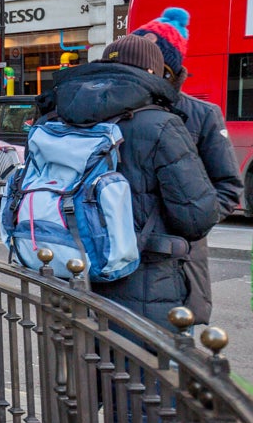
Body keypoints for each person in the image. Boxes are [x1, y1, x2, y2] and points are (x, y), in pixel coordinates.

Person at [38, 35, 219, 327]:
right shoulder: (161, 124)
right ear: (151, 73)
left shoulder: (53, 118)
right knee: (140, 368)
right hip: (143, 280)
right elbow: (196, 217)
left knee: (81, 366)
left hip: (65, 267)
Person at [130, 8, 244, 323]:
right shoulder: (123, 108)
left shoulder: (202, 115)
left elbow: (228, 186)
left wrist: (190, 217)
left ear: (170, 69)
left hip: (179, 261)